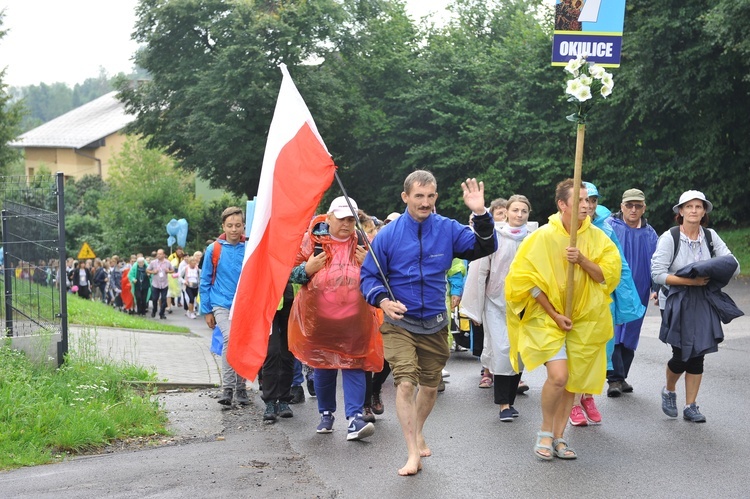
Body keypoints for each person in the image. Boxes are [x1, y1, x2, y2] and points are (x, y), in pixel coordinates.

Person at [360, 171, 497, 475]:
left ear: (436, 197)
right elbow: (368, 276)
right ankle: (411, 452)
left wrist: (480, 213)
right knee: (406, 382)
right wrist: (382, 300)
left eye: (430, 196)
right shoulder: (388, 236)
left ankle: (418, 429)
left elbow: (484, 248)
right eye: (418, 196)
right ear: (405, 197)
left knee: (430, 387)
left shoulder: (447, 229)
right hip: (400, 322)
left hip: (435, 323)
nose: (425, 202)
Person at [505, 179, 620, 460]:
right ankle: (545, 432)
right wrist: (554, 313)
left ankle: (559, 437)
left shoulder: (598, 238)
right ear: (562, 204)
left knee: (573, 382)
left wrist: (581, 260)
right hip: (547, 317)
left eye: (589, 201)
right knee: (559, 377)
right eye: (579, 200)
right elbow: (523, 281)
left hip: (584, 320)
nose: (586, 206)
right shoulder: (542, 236)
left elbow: (608, 275)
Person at [289, 197, 383, 441]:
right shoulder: (313, 242)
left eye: (351, 219)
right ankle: (326, 413)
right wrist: (307, 270)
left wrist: (370, 264)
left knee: (354, 366)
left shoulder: (364, 243)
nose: (346, 224)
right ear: (329, 218)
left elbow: (383, 275)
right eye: (341, 218)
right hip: (319, 321)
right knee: (323, 366)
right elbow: (291, 274)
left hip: (355, 321)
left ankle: (354, 419)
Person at [651, 190, 741, 423]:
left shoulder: (710, 236)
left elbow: (733, 264)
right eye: (688, 207)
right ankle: (669, 390)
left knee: (698, 353)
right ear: (680, 212)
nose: (693, 211)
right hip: (674, 300)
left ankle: (691, 406)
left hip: (702, 301)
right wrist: (689, 280)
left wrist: (715, 270)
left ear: (704, 212)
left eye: (698, 207)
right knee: (681, 353)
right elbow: (658, 274)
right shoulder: (670, 237)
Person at [461, 194, 535, 422]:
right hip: (496, 303)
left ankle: (510, 400)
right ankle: (503, 404)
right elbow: (479, 271)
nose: (519, 215)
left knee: (520, 352)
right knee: (503, 350)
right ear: (508, 212)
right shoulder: (494, 237)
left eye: (524, 211)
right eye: (515, 210)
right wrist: (475, 307)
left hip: (526, 305)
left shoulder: (534, 238)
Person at [607, 188, 658, 396]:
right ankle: (614, 379)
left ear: (644, 208)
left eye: (638, 206)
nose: (633, 210)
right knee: (615, 332)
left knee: (631, 334)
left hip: (640, 291)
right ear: (622, 207)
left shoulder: (650, 233)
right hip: (614, 290)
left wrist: (656, 288)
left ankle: (621, 377)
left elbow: (657, 263)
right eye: (629, 205)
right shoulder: (610, 227)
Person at [200, 207, 249, 406]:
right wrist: (207, 310)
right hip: (221, 302)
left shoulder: (249, 247)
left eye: (238, 225)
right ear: (223, 227)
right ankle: (228, 388)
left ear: (243, 226)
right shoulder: (214, 249)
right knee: (230, 338)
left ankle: (241, 387)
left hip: (244, 303)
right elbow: (204, 281)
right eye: (230, 226)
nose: (234, 230)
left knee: (243, 343)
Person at [147, 249, 175, 319]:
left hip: (164, 284)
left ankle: (162, 313)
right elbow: (147, 270)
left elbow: (172, 270)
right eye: (158, 254)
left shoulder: (167, 262)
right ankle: (154, 310)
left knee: (163, 299)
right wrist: (153, 272)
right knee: (154, 299)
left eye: (160, 254)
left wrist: (168, 271)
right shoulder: (153, 262)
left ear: (163, 255)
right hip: (155, 283)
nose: (158, 255)